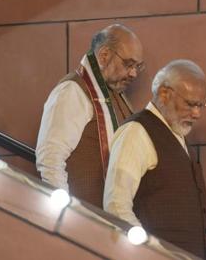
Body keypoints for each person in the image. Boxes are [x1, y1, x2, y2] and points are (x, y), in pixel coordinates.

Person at [103, 60, 206, 259]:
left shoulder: (177, 134)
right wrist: (151, 254)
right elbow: (116, 206)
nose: (197, 113)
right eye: (190, 104)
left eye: (200, 105)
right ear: (164, 94)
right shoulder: (136, 132)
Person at [36, 24, 144, 207]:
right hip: (83, 222)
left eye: (138, 67)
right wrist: (65, 214)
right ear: (103, 56)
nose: (133, 73)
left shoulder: (116, 96)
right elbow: (50, 158)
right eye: (128, 64)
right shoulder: (72, 90)